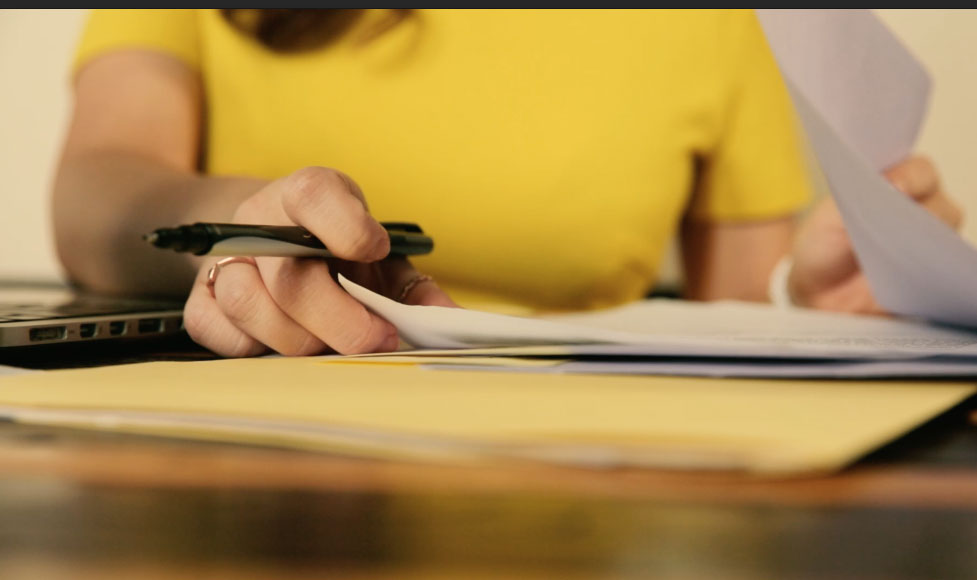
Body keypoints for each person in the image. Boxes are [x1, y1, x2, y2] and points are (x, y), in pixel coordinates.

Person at [53, 9, 962, 357]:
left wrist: (808, 302)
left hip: (573, 489)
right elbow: (95, 192)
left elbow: (732, 306)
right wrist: (237, 229)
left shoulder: (721, 17)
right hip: (241, 441)